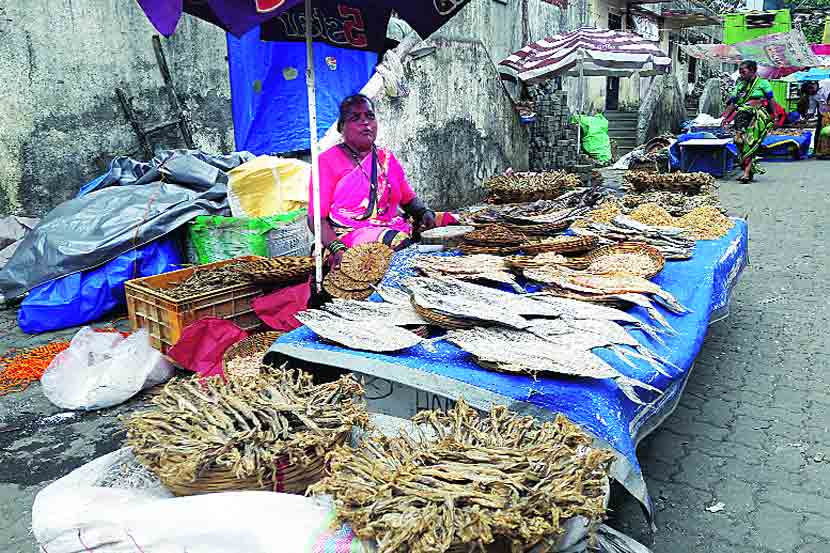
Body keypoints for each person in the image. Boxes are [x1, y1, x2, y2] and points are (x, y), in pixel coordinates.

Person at [308, 94, 456, 268]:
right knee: (397, 241)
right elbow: (316, 219)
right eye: (355, 118)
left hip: (391, 224)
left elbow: (408, 199)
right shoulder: (326, 162)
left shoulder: (385, 158)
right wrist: (337, 248)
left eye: (370, 116)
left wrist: (424, 213)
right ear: (342, 127)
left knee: (450, 221)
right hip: (347, 235)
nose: (365, 122)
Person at [722, 61, 775, 183]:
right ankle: (748, 171)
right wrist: (725, 117)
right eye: (740, 71)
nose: (741, 74)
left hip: (757, 117)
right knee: (739, 143)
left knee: (750, 143)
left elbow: (771, 100)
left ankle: (746, 174)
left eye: (743, 71)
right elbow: (734, 103)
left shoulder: (763, 83)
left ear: (752, 71)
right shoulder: (740, 84)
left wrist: (774, 116)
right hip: (741, 117)